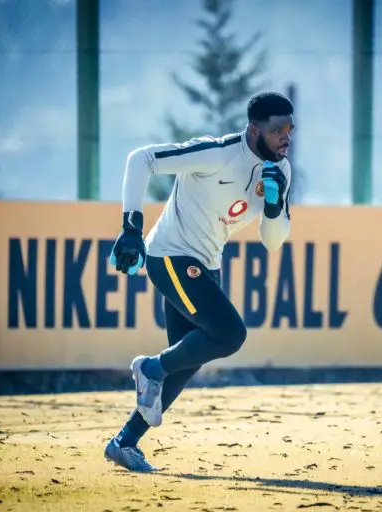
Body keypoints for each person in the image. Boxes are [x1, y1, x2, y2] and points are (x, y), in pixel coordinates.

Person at [103, 91, 294, 472]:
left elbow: (273, 241)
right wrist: (131, 227)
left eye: (290, 129)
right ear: (253, 130)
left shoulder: (281, 171)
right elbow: (140, 159)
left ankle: (124, 443)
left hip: (207, 263)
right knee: (229, 335)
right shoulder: (217, 153)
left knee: (185, 362)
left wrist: (273, 209)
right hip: (170, 256)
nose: (285, 138)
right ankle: (149, 368)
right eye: (277, 131)